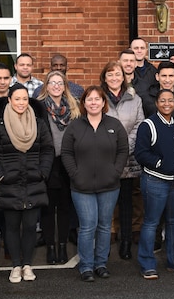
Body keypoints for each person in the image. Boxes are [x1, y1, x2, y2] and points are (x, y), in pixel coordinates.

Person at [0, 85, 54, 284]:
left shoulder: (39, 123)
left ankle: (27, 265)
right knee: (11, 227)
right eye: (17, 99)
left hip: (33, 182)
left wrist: (43, 172)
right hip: (9, 184)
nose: (21, 103)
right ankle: (16, 265)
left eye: (25, 99)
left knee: (31, 226)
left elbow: (48, 149)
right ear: (9, 100)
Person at [62, 86, 129, 282]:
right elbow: (66, 153)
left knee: (104, 225)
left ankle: (101, 264)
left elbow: (123, 151)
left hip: (109, 185)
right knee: (87, 226)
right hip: (81, 187)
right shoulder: (74, 126)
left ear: (103, 103)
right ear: (83, 103)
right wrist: (75, 174)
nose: (93, 102)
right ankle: (86, 266)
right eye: (89, 99)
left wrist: (115, 172)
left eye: (97, 99)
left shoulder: (114, 125)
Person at [134, 90, 174, 279]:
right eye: (163, 100)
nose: (167, 103)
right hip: (155, 181)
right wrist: (160, 164)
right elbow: (141, 153)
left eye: (170, 100)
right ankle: (147, 264)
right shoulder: (148, 125)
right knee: (151, 223)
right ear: (157, 103)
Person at [102, 60, 145, 260]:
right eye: (110, 74)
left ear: (124, 77)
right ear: (104, 77)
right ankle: (109, 234)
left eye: (117, 74)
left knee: (128, 201)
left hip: (129, 158)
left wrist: (125, 146)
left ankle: (126, 241)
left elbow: (139, 124)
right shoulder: (99, 97)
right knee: (109, 199)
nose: (114, 78)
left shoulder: (134, 99)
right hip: (106, 157)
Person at [38, 70, 81, 264]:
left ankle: (62, 246)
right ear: (46, 86)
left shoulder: (74, 108)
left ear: (65, 86)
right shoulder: (38, 108)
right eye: (52, 83)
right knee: (47, 209)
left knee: (64, 208)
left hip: (67, 163)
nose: (56, 86)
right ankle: (50, 247)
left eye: (60, 83)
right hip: (47, 163)